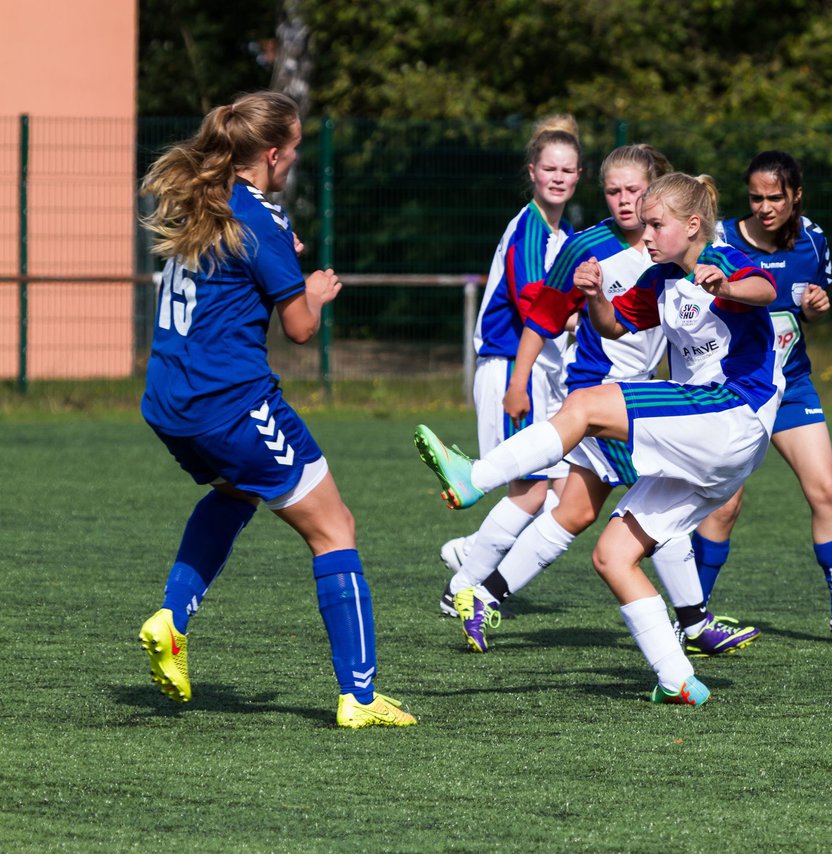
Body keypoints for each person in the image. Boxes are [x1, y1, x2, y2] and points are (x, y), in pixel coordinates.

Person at [416, 172, 783, 706]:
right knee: (613, 555)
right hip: (713, 440)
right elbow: (616, 327)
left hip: (732, 414)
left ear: (694, 224)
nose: (647, 232)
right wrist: (592, 298)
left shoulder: (722, 259)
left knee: (585, 406)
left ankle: (476, 478)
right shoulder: (659, 278)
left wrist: (725, 286)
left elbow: (765, 289)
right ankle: (678, 678)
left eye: (658, 223)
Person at [135, 91, 414, 729]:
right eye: (291, 149)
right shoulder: (261, 219)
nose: (293, 160)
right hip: (229, 403)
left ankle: (171, 620)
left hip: (168, 400)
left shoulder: (196, 197)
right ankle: (361, 698)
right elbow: (299, 331)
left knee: (235, 493)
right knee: (334, 527)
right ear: (270, 153)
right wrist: (313, 292)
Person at [690, 150, 832, 645]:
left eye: (774, 197)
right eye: (755, 197)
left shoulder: (813, 240)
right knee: (724, 506)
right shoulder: (720, 241)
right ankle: (690, 616)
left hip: (792, 385)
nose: (764, 207)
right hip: (734, 390)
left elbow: (810, 303)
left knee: (826, 491)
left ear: (796, 196)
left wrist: (818, 308)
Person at [437, 114, 582, 618]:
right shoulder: (528, 230)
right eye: (550, 168)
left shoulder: (560, 233)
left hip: (538, 373)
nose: (558, 177)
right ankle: (462, 585)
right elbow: (531, 303)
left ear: (578, 175)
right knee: (531, 490)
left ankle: (469, 552)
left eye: (568, 169)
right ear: (533, 172)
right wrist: (583, 315)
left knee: (562, 493)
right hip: (507, 369)